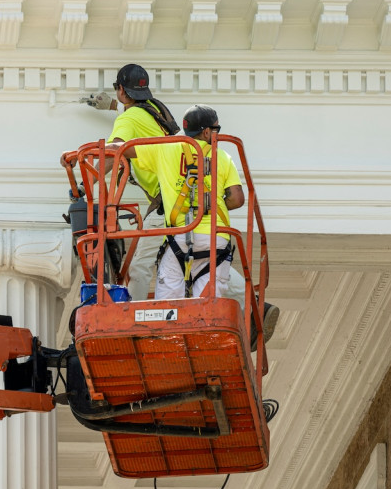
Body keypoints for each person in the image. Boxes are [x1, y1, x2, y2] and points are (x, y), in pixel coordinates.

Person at [111, 105, 279, 343]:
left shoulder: (164, 148)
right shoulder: (222, 156)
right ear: (208, 132)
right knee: (207, 308)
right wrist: (214, 205)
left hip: (180, 236)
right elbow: (238, 199)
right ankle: (209, 341)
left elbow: (123, 149)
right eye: (217, 129)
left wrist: (95, 150)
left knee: (171, 299)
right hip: (216, 239)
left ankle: (166, 340)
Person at [81, 64, 179, 300]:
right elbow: (137, 116)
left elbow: (113, 152)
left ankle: (131, 318)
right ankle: (251, 302)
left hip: (167, 201)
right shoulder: (156, 108)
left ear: (122, 90)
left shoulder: (129, 118)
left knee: (138, 267)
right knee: (204, 257)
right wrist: (114, 105)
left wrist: (85, 186)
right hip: (186, 195)